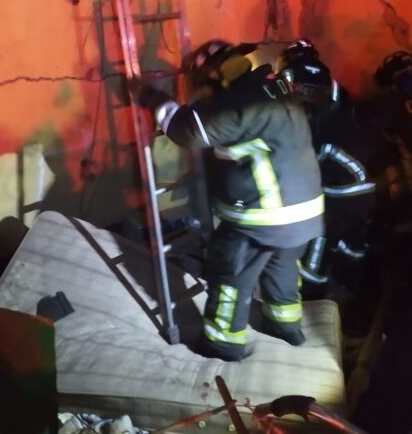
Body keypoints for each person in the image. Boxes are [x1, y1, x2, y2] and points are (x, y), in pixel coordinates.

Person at [131, 39, 324, 361]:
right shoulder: (276, 89)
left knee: (230, 276)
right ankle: (286, 331)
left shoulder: (239, 102)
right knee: (282, 271)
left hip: (264, 220)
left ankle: (222, 348)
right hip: (304, 215)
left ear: (218, 74)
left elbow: (186, 130)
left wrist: (150, 97)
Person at [278, 39, 379, 298]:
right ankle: (357, 286)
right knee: (353, 238)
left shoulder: (290, 78)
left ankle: (313, 293)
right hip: (361, 176)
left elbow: (295, 128)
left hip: (337, 183)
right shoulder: (330, 81)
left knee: (319, 239)